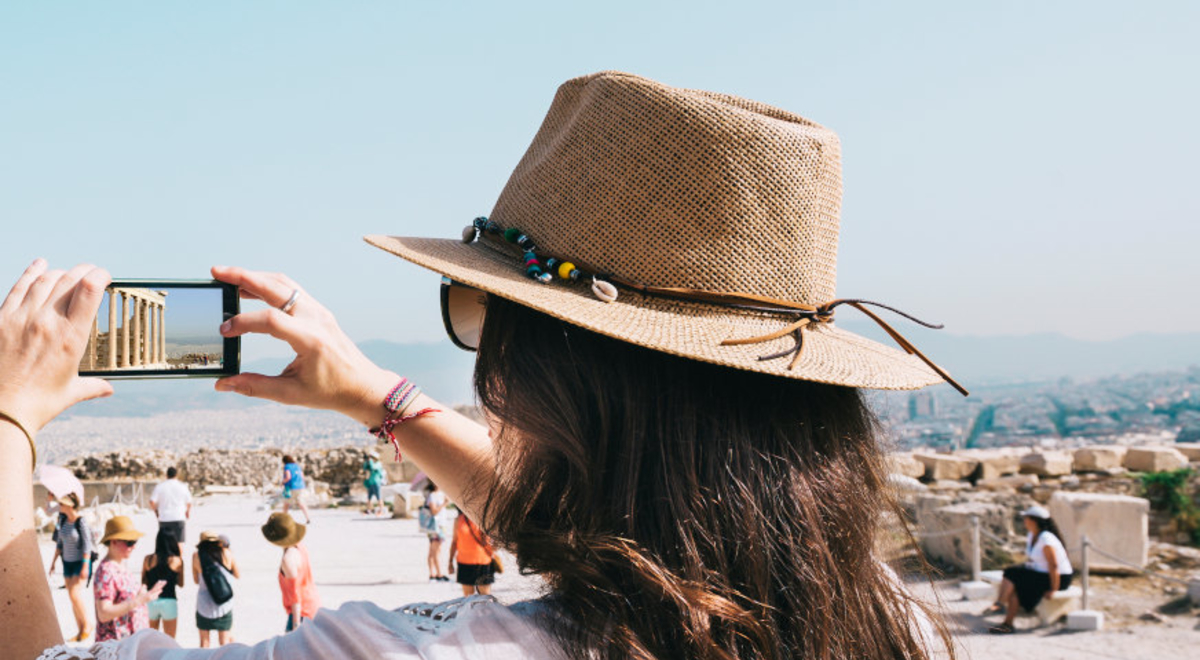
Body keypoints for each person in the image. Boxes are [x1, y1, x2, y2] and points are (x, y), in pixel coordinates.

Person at [6, 72, 970, 659]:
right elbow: (609, 539)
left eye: (485, 314)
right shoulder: (887, 626)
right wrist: (375, 397)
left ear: (551, 372)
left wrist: (7, 425)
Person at [985, 505, 1075, 634]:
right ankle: (1007, 622)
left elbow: (1053, 565)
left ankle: (1000, 604)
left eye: (1026, 518)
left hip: (1058, 578)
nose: (1024, 520)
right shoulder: (1032, 535)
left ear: (1034, 520)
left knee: (1013, 574)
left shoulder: (1046, 539)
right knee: (1012, 574)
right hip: (1042, 574)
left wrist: (1053, 589)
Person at [92, 516, 164, 643]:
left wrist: (143, 595)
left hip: (129, 644)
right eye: (129, 543)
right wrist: (138, 600)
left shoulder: (121, 566)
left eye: (134, 542)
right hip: (117, 646)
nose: (133, 547)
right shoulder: (106, 571)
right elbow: (104, 613)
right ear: (113, 541)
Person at [261, 512, 321, 632]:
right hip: (313, 604)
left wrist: (296, 625)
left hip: (302, 612)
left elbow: (295, 595)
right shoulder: (300, 546)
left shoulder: (288, 559)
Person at [47, 493, 94, 641]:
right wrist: (53, 562)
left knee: (75, 594)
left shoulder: (81, 522)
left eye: (62, 504)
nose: (59, 506)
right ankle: (80, 631)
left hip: (80, 563)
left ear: (70, 505)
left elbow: (87, 545)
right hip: (66, 563)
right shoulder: (62, 520)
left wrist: (86, 566)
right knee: (71, 597)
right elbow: (60, 544)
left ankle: (87, 624)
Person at [193, 531, 240, 647]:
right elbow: (237, 574)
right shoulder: (227, 553)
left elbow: (196, 580)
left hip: (204, 605)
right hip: (224, 603)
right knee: (224, 643)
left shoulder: (196, 556)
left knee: (204, 642)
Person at [141, 531, 184, 638]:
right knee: (170, 640)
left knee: (150, 639)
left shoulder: (148, 559)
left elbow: (143, 581)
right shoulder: (177, 561)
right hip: (169, 600)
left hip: (151, 601)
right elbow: (181, 583)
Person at [448, 510, 496, 597]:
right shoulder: (459, 520)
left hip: (484, 562)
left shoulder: (485, 520)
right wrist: (450, 562)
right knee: (468, 599)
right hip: (464, 563)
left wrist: (489, 540)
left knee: (485, 598)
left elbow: (495, 544)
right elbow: (454, 542)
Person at [149, 466, 191, 548]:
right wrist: (187, 512)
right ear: (176, 475)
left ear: (166, 475)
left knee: (165, 544)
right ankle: (179, 560)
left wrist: (156, 512)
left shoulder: (160, 486)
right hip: (179, 517)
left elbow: (152, 501)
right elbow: (189, 502)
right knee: (179, 543)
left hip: (164, 518)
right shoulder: (182, 486)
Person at [419, 482, 449, 582]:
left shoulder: (441, 494)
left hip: (440, 526)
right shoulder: (432, 495)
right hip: (435, 526)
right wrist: (444, 504)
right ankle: (438, 574)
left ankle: (433, 574)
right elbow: (434, 511)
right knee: (435, 551)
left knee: (434, 550)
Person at [280, 455, 312, 524]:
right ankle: (308, 518)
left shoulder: (287, 466)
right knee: (301, 503)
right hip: (300, 486)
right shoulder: (297, 466)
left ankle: (283, 519)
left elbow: (288, 477)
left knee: (286, 503)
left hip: (290, 487)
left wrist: (282, 482)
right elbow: (302, 476)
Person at [362, 449, 386, 516]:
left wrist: (371, 462)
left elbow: (373, 468)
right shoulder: (371, 463)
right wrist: (366, 462)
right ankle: (369, 510)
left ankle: (381, 510)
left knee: (379, 497)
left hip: (376, 483)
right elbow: (364, 468)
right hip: (371, 483)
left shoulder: (378, 464)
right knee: (369, 498)